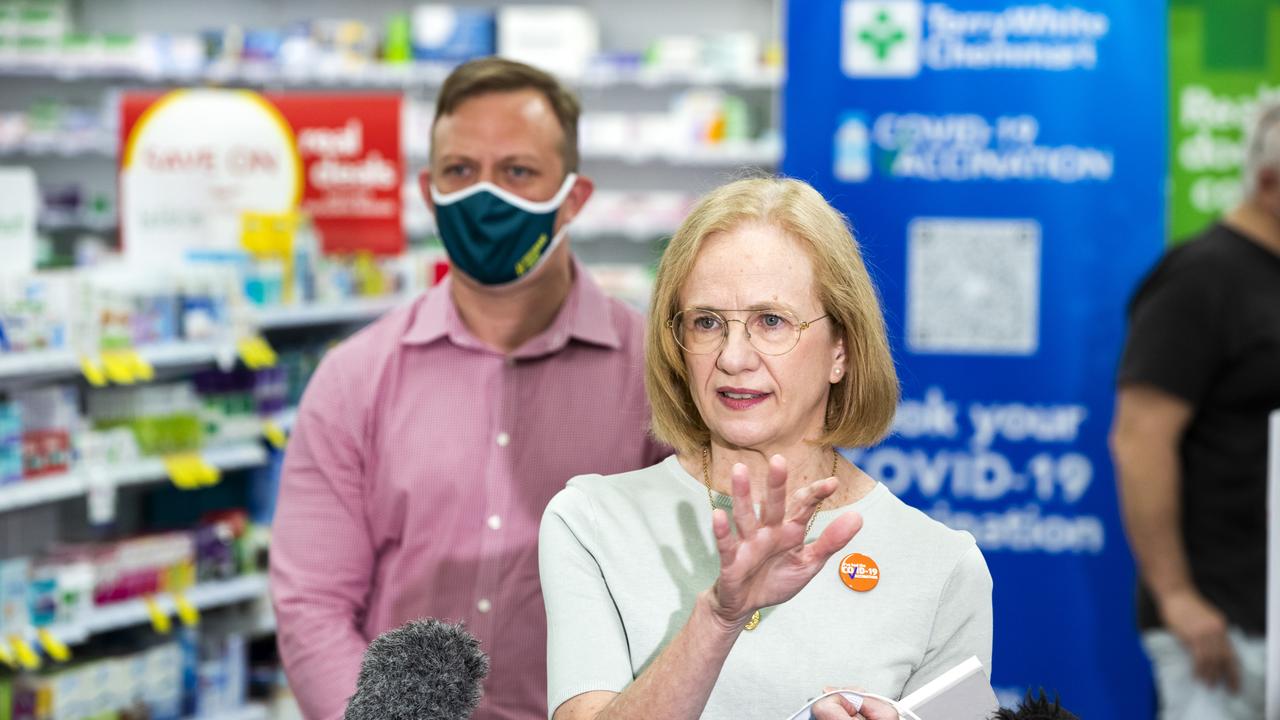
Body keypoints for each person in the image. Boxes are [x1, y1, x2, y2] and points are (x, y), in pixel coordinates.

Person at [270, 57, 669, 720]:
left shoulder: (657, 375)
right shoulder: (353, 379)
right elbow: (311, 604)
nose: (484, 197)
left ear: (573, 198)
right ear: (428, 192)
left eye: (517, 172)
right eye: (460, 171)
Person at [539, 177, 993, 720]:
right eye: (707, 322)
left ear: (841, 351)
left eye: (770, 321)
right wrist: (719, 617)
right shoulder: (592, 521)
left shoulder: (941, 566)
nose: (733, 357)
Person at [1110, 101, 1280, 719]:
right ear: (1268, 184)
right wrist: (1178, 597)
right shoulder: (1201, 279)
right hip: (1221, 628)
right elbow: (1139, 440)